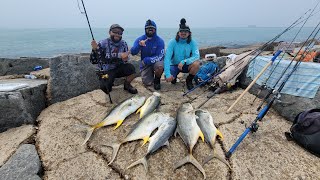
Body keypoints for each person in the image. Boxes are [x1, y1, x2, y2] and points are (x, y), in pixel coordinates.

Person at [90, 24, 138, 94]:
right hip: (106, 71)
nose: (117, 34)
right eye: (115, 32)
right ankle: (108, 82)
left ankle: (127, 85)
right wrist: (94, 50)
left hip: (118, 68)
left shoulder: (124, 43)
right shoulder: (102, 43)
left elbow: (126, 59)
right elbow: (93, 61)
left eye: (120, 33)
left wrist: (125, 59)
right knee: (106, 89)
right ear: (109, 32)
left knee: (131, 68)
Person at [164, 18, 200, 90]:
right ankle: (174, 77)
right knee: (169, 79)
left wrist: (184, 61)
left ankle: (189, 80)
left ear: (189, 33)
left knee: (196, 64)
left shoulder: (193, 42)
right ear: (178, 33)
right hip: (174, 65)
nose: (183, 33)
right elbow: (167, 58)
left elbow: (196, 56)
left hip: (186, 65)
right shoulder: (172, 42)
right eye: (181, 31)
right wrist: (167, 74)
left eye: (186, 31)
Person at [131, 19, 165, 90]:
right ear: (145, 29)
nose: (150, 30)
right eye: (148, 28)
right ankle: (150, 74)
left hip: (155, 62)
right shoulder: (140, 39)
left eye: (152, 28)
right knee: (147, 83)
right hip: (146, 65)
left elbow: (160, 56)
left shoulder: (160, 41)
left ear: (155, 29)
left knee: (160, 66)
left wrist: (146, 60)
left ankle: (157, 80)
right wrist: (139, 45)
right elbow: (133, 52)